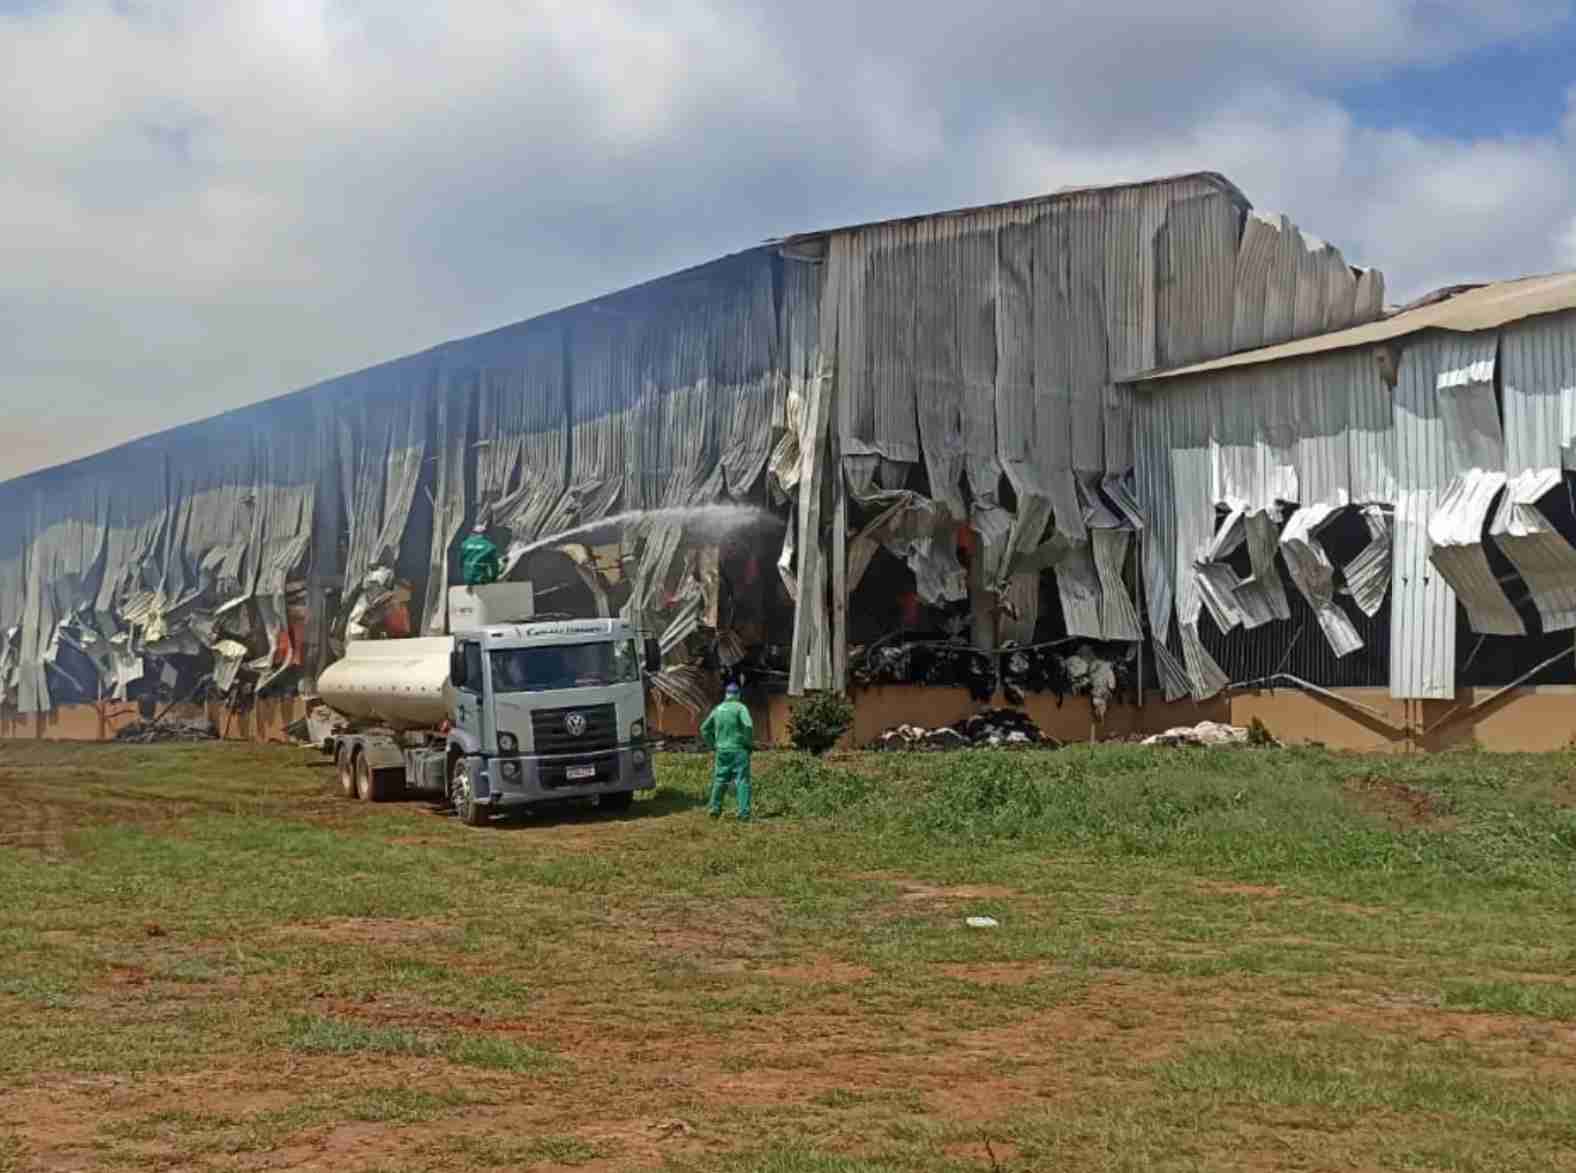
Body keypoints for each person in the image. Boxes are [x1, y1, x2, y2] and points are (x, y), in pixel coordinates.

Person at [701, 682, 753, 822]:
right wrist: (748, 743)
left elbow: (704, 729)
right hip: (738, 750)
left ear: (726, 694)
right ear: (738, 695)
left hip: (722, 750)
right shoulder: (740, 707)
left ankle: (714, 809)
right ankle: (743, 814)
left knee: (720, 779)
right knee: (742, 781)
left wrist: (713, 745)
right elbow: (748, 725)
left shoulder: (718, 709)